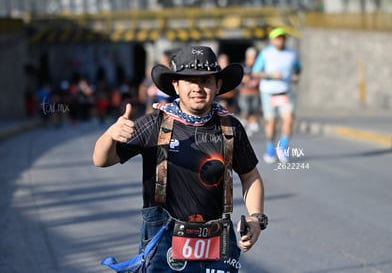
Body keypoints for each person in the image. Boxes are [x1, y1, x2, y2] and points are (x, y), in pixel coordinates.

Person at [93, 46, 267, 273]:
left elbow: (250, 176)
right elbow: (101, 160)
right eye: (189, 80)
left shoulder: (230, 126)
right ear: (176, 85)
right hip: (164, 239)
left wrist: (256, 218)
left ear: (218, 85)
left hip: (217, 243)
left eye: (206, 81)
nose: (197, 88)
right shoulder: (154, 123)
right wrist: (110, 135)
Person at [252, 27, 301, 163]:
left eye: (282, 38)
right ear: (272, 40)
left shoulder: (291, 53)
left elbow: (298, 68)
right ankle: (270, 150)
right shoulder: (266, 54)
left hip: (285, 91)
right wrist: (272, 75)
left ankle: (283, 148)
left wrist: (296, 75)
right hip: (269, 92)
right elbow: (255, 72)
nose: (280, 40)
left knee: (289, 119)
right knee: (271, 122)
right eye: (277, 38)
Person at [238, 47, 261, 137]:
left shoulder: (258, 67)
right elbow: (238, 79)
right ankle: (244, 124)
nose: (253, 59)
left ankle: (251, 126)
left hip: (255, 92)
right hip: (245, 92)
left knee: (254, 110)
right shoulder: (242, 66)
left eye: (254, 57)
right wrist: (244, 79)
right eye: (251, 57)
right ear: (247, 57)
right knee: (246, 109)